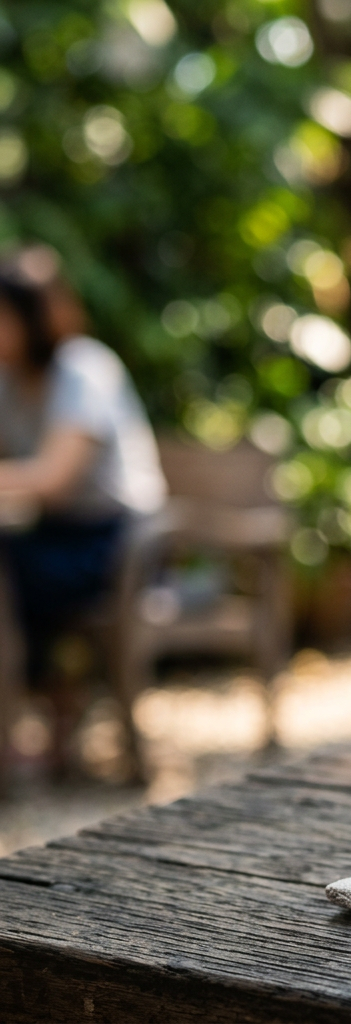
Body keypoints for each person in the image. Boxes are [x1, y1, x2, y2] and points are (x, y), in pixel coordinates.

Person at [0, 245, 166, 759]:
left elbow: (54, 480)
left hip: (117, 539)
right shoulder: (7, 380)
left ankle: (39, 721)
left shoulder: (83, 370)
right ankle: (44, 721)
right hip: (54, 534)